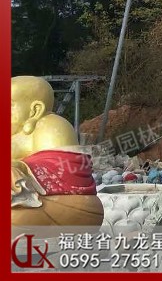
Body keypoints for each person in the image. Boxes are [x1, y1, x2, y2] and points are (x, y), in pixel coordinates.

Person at [11, 76, 102, 228]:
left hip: (70, 206)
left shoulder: (51, 125)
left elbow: (64, 171)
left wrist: (20, 167)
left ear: (35, 110)